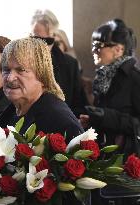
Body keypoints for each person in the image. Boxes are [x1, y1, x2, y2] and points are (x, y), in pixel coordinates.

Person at [0, 37, 84, 204]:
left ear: (42, 74)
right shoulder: (9, 112)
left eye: (21, 70)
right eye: (6, 70)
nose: (10, 78)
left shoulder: (58, 118)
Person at [79, 19, 140, 205]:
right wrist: (93, 120)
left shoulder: (134, 79)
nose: (94, 50)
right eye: (93, 45)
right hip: (106, 159)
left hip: (127, 163)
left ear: (118, 49)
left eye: (99, 45)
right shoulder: (104, 77)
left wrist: (104, 116)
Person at [30, 9, 88, 117]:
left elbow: (79, 104)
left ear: (54, 38)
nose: (42, 46)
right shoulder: (20, 62)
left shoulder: (70, 65)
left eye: (48, 41)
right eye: (37, 39)